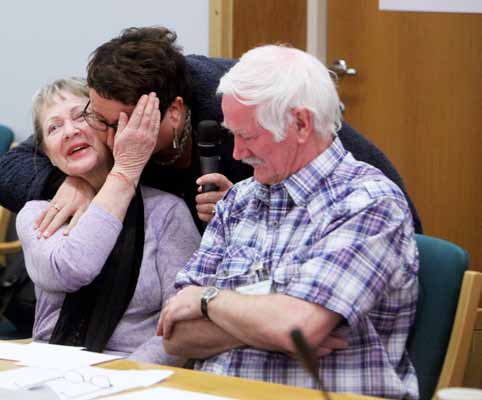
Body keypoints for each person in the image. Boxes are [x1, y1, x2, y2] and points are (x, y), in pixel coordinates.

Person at [157, 45, 419, 400]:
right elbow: (176, 335)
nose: (236, 154)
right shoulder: (238, 199)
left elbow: (298, 327)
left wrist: (209, 300)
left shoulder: (367, 202)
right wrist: (270, 321)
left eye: (248, 136)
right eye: (232, 134)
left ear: (300, 123)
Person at [0, 26, 422, 236]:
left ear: (176, 114)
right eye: (99, 118)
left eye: (122, 126)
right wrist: (67, 181)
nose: (110, 139)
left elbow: (335, 186)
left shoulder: (240, 111)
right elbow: (10, 165)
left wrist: (245, 209)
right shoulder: (109, 106)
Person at [16, 78, 200, 364]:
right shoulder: (38, 214)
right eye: (54, 127)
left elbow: (182, 325)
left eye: (81, 117)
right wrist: (122, 177)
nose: (70, 131)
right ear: (49, 156)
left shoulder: (167, 212)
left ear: (110, 128)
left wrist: (123, 378)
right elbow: (73, 267)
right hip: (49, 369)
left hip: (138, 374)